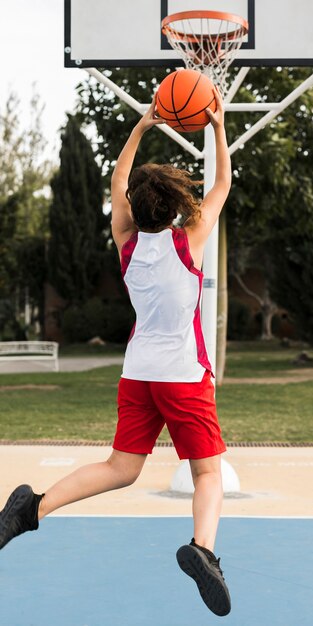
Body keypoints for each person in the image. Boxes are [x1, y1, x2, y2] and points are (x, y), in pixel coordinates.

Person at [0, 87, 232, 617]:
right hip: (182, 373)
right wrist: (216, 125)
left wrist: (142, 125)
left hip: (138, 372)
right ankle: (203, 550)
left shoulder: (127, 243)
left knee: (122, 466)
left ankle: (32, 507)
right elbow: (221, 183)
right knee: (208, 473)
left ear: (133, 208)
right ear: (176, 206)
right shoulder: (189, 242)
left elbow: (116, 183)